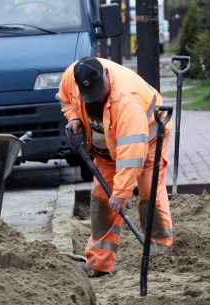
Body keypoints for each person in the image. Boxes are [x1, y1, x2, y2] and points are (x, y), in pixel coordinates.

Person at [57, 56, 173, 277]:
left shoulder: (127, 100)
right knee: (101, 200)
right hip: (106, 149)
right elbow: (64, 98)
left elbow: (132, 153)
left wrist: (121, 194)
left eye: (101, 92)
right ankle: (99, 263)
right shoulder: (72, 76)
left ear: (107, 75)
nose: (97, 98)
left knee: (149, 194)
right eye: (91, 95)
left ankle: (159, 257)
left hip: (147, 140)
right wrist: (74, 117)